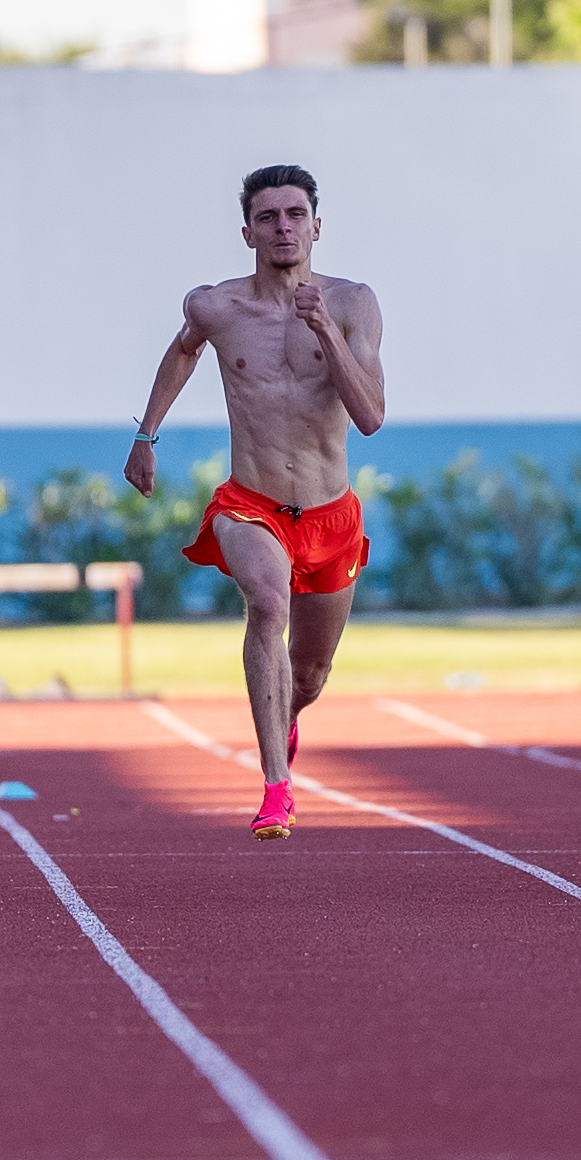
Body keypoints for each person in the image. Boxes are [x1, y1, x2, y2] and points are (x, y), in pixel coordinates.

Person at [126, 164, 385, 840]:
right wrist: (146, 435)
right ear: (247, 231)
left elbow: (370, 417)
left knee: (311, 671)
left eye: (294, 215)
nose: (282, 228)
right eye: (268, 218)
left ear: (316, 227)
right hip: (252, 504)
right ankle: (276, 788)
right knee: (266, 604)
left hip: (330, 515)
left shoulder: (353, 302)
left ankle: (286, 718)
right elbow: (182, 352)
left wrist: (325, 329)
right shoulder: (215, 305)